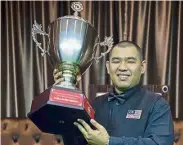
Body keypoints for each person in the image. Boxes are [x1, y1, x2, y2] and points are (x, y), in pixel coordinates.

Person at [53, 41, 174, 145]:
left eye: (130, 61)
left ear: (142, 67)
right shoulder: (95, 104)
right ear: (108, 66)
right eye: (116, 61)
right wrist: (65, 93)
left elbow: (159, 143)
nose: (122, 67)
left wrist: (109, 142)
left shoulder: (157, 105)